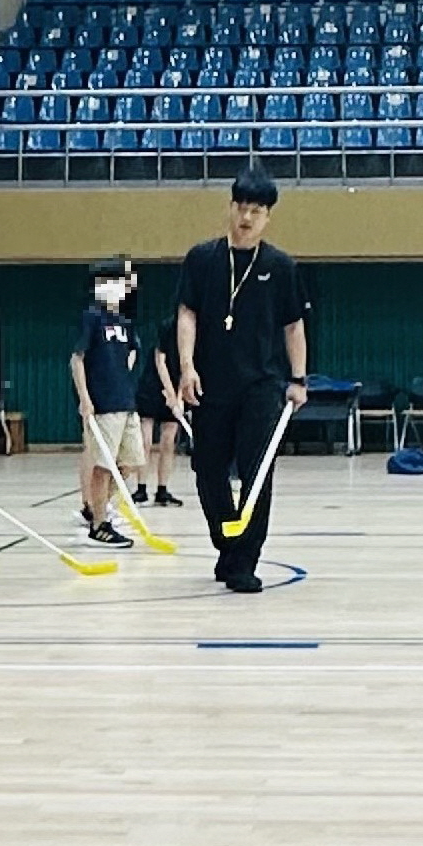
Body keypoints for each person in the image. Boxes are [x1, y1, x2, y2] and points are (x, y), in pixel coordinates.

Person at [175, 165, 310, 594]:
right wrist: (187, 366)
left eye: (256, 210)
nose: (246, 217)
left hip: (262, 386)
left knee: (257, 475)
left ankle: (244, 560)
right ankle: (226, 543)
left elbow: (293, 326)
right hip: (210, 383)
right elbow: (187, 314)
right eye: (240, 207)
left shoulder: (280, 266)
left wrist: (298, 379)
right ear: (230, 208)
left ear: (267, 216)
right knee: (207, 470)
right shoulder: (202, 259)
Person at [72, 257, 142, 545]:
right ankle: (99, 525)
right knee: (103, 466)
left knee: (129, 464)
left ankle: (96, 507)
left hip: (126, 402)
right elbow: (77, 359)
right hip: (103, 404)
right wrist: (85, 399)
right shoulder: (92, 317)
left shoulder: (124, 323)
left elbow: (132, 351)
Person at [132, 272, 184, 509]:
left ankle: (162, 490)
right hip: (154, 385)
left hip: (177, 387)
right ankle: (141, 488)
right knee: (144, 439)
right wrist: (170, 392)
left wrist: (181, 397)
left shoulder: (200, 331)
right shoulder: (168, 326)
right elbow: (159, 360)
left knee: (168, 440)